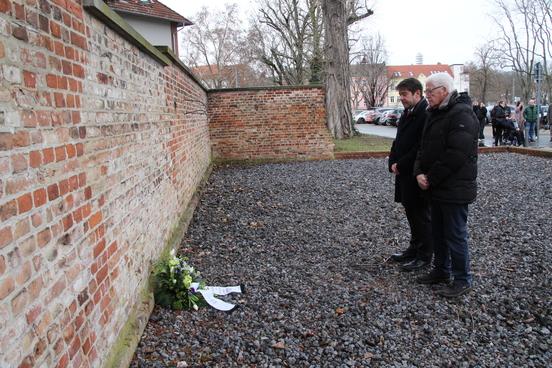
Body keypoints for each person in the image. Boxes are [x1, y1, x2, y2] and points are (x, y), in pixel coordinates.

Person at [413, 73, 479, 298]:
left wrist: (430, 177)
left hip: (454, 188)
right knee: (438, 232)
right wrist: (419, 172)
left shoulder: (462, 114)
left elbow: (457, 153)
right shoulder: (434, 113)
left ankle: (462, 279)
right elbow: (423, 148)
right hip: (436, 187)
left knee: (455, 234)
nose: (427, 95)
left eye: (430, 91)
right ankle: (441, 271)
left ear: (444, 90)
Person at [388, 78, 432, 271]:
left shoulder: (425, 114)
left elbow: (420, 146)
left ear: (417, 93)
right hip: (404, 172)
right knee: (411, 212)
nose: (402, 99)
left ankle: (424, 255)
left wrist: (402, 163)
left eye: (404, 95)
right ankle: (414, 248)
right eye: (400, 95)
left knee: (420, 215)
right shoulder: (408, 113)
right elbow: (398, 141)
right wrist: (392, 162)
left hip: (415, 172)